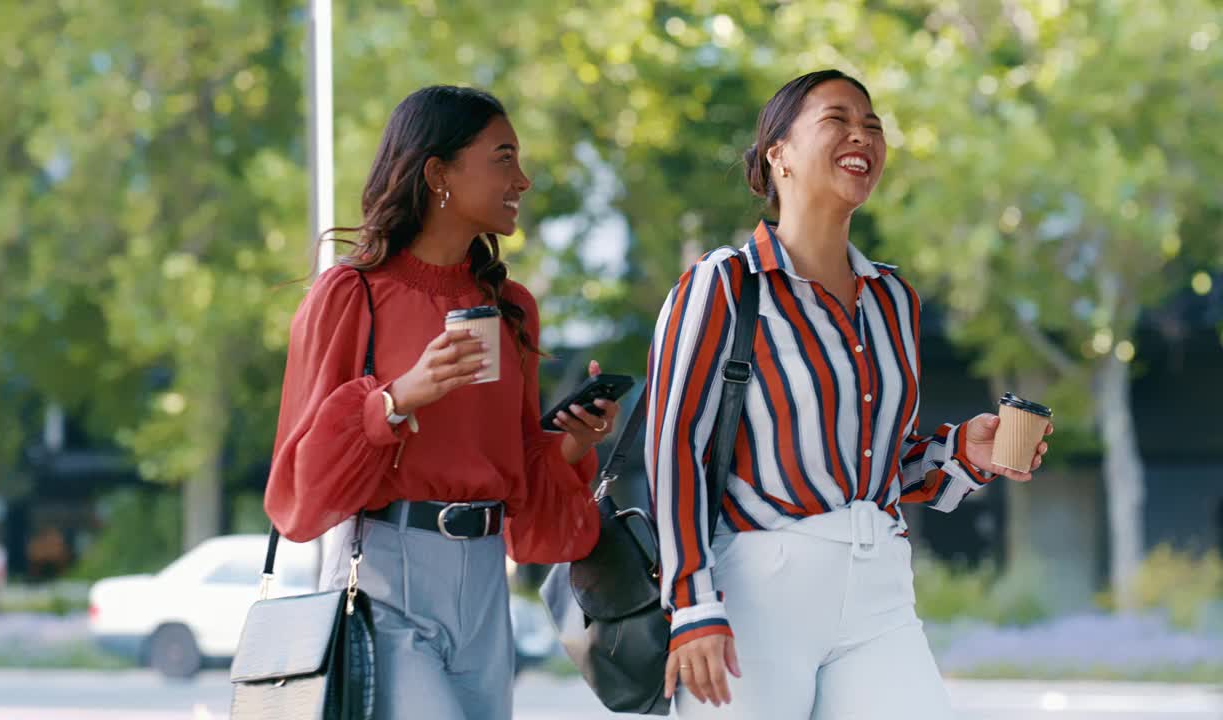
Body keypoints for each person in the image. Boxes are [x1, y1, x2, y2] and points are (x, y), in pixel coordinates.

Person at [645, 70, 1053, 718]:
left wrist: (962, 453)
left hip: (879, 587)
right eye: (837, 120)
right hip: (758, 584)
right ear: (777, 153)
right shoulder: (723, 285)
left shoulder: (893, 299)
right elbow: (676, 451)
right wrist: (692, 603)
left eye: (872, 126)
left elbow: (884, 466)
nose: (861, 135)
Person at [263, 85, 616, 720]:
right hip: (383, 575)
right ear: (438, 173)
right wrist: (395, 400)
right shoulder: (351, 296)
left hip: (485, 584)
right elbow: (298, 493)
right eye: (503, 158)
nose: (524, 179)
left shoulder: (513, 309)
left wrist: (574, 441)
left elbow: (519, 477)